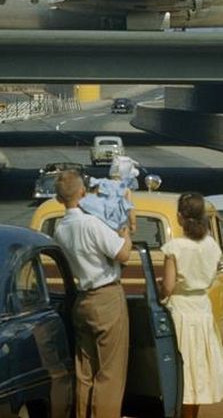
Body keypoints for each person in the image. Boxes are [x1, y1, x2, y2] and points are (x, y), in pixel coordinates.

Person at [52, 169, 133, 418]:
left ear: (59, 199)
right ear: (83, 193)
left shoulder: (59, 228)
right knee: (109, 373)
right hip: (106, 297)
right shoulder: (91, 224)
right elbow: (123, 254)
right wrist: (126, 233)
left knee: (84, 370)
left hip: (82, 299)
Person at [158, 193, 223, 417]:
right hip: (202, 309)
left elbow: (168, 286)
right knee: (198, 370)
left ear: (180, 217)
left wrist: (160, 292)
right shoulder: (212, 245)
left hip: (181, 311)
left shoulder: (174, 247)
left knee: (181, 369)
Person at [82, 155, 138, 233]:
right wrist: (133, 224)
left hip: (98, 220)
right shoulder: (125, 190)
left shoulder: (102, 183)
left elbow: (92, 200)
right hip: (115, 222)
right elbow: (130, 208)